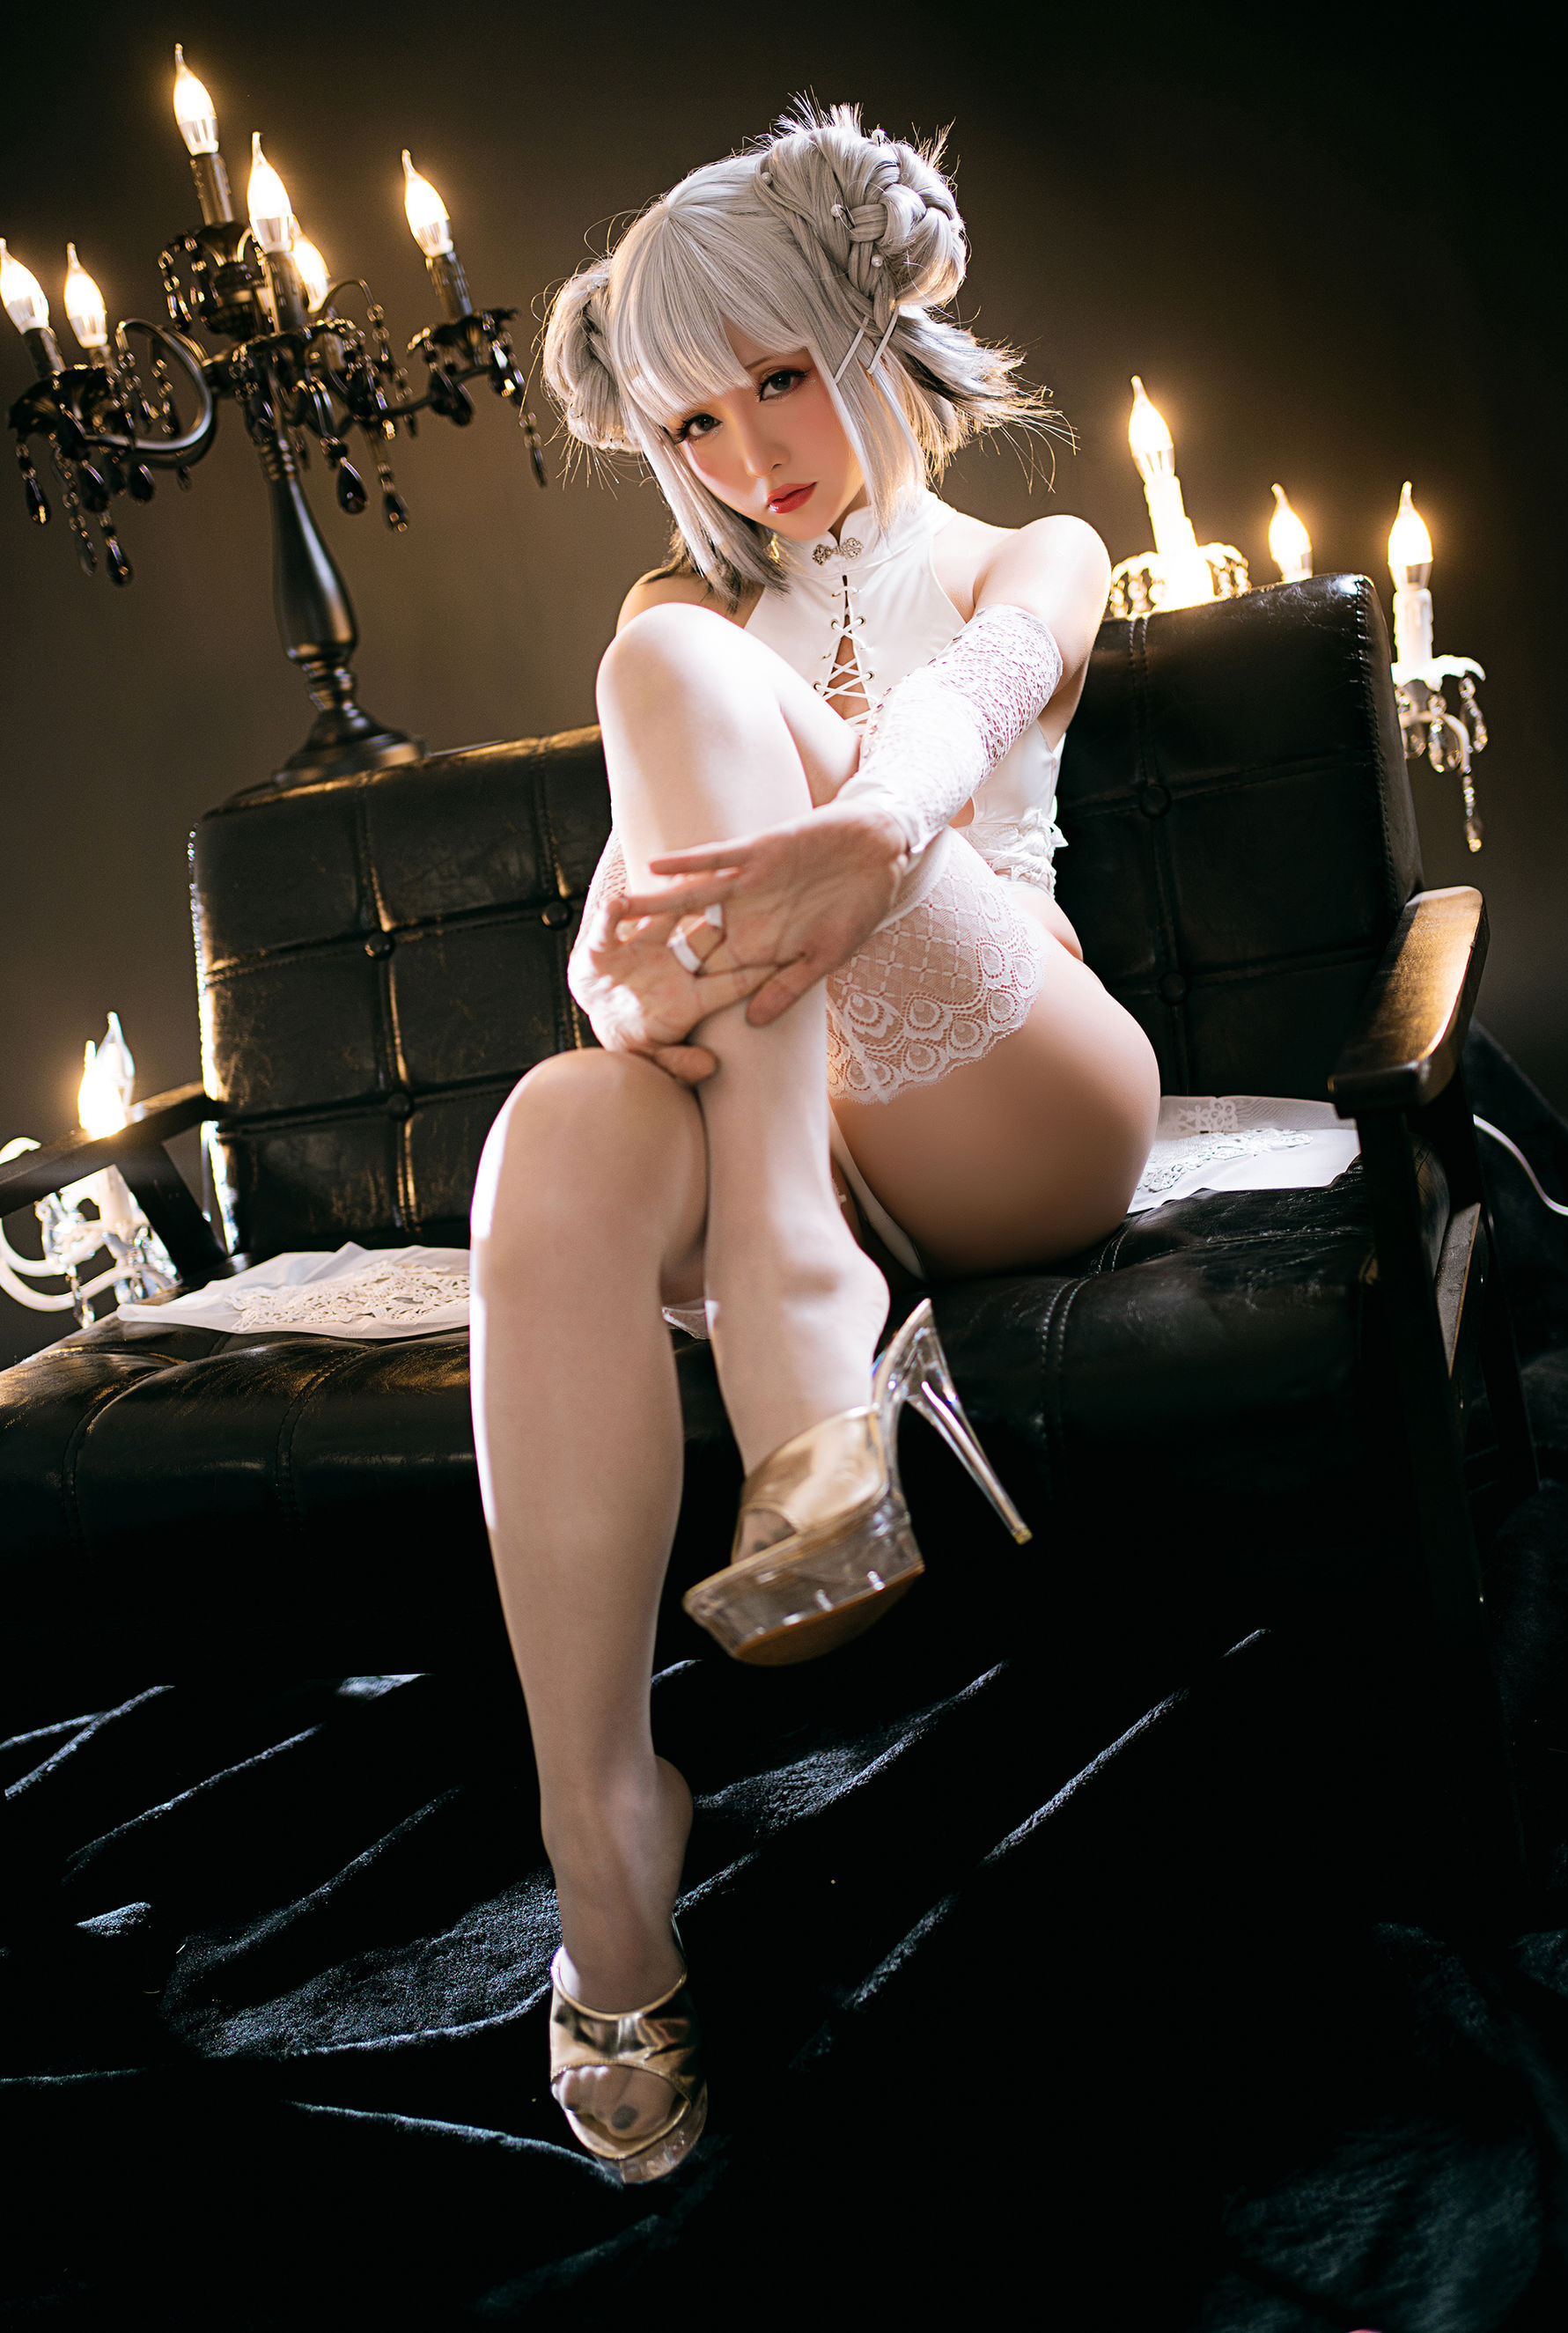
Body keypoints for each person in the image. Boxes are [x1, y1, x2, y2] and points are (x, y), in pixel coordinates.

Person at [468, 105, 1160, 2184]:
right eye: (693, 418)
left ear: (870, 332)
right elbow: (625, 967)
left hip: (1019, 1081)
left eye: (778, 374)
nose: (750, 452)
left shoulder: (1031, 553)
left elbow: (972, 711)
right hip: (812, 1119)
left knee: (680, 666)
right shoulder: (678, 623)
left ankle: (796, 1313)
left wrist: (864, 827)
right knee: (560, 1121)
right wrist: (624, 995)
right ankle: (605, 1840)